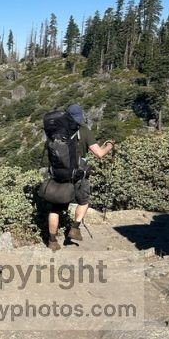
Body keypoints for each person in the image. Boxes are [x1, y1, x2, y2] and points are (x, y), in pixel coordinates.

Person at [47, 104, 114, 251]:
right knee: (84, 201)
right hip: (77, 175)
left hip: (57, 174)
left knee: (55, 209)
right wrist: (109, 145)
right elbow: (100, 154)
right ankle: (75, 228)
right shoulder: (84, 130)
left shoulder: (55, 129)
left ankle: (52, 241)